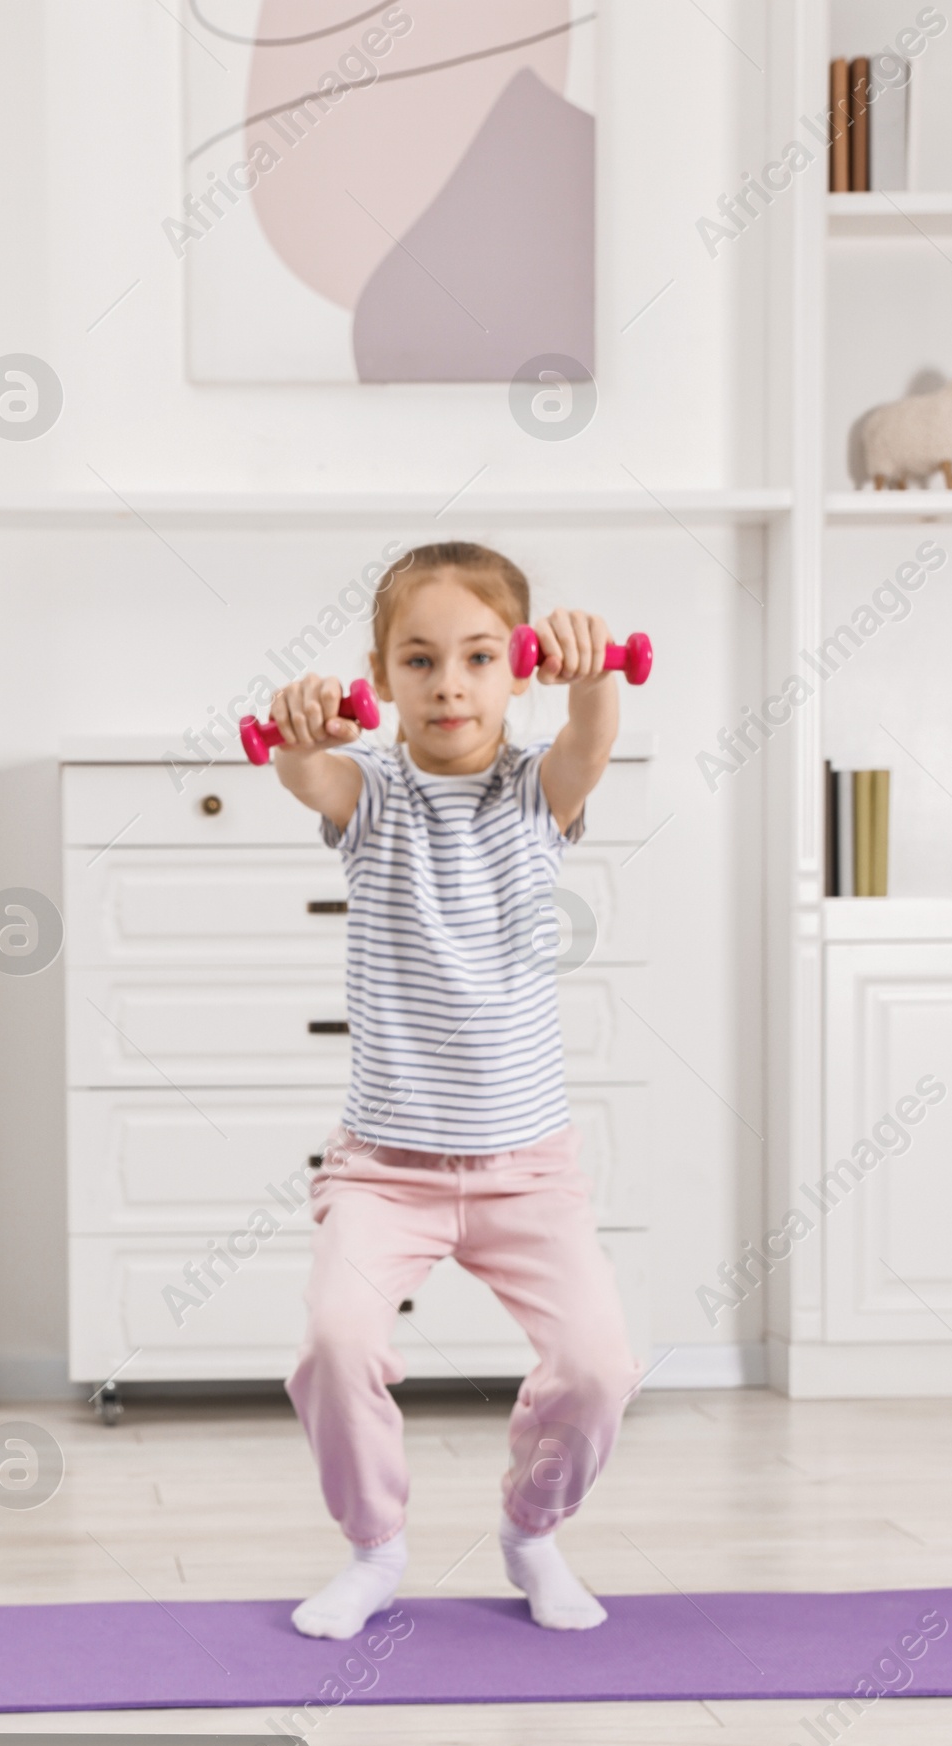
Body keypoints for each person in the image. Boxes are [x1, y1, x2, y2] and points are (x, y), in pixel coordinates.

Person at [269, 540, 639, 1641]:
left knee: (597, 1365)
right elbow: (311, 777)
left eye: (478, 657)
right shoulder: (371, 795)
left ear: (517, 667)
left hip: (528, 1167)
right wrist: (297, 732)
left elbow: (590, 740)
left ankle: (533, 1528)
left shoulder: (535, 794)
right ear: (380, 676)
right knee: (336, 1340)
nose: (449, 684)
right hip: (388, 1165)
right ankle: (374, 1548)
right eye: (419, 660)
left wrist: (593, 672)